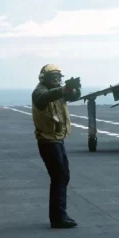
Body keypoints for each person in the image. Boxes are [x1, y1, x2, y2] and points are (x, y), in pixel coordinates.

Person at [31, 64, 81, 228]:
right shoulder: (39, 93)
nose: (56, 80)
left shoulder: (59, 90)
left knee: (63, 175)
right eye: (53, 77)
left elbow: (73, 97)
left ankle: (60, 215)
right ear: (43, 78)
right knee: (59, 176)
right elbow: (46, 97)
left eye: (58, 78)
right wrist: (64, 89)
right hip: (47, 140)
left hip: (57, 139)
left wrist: (74, 89)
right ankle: (58, 217)